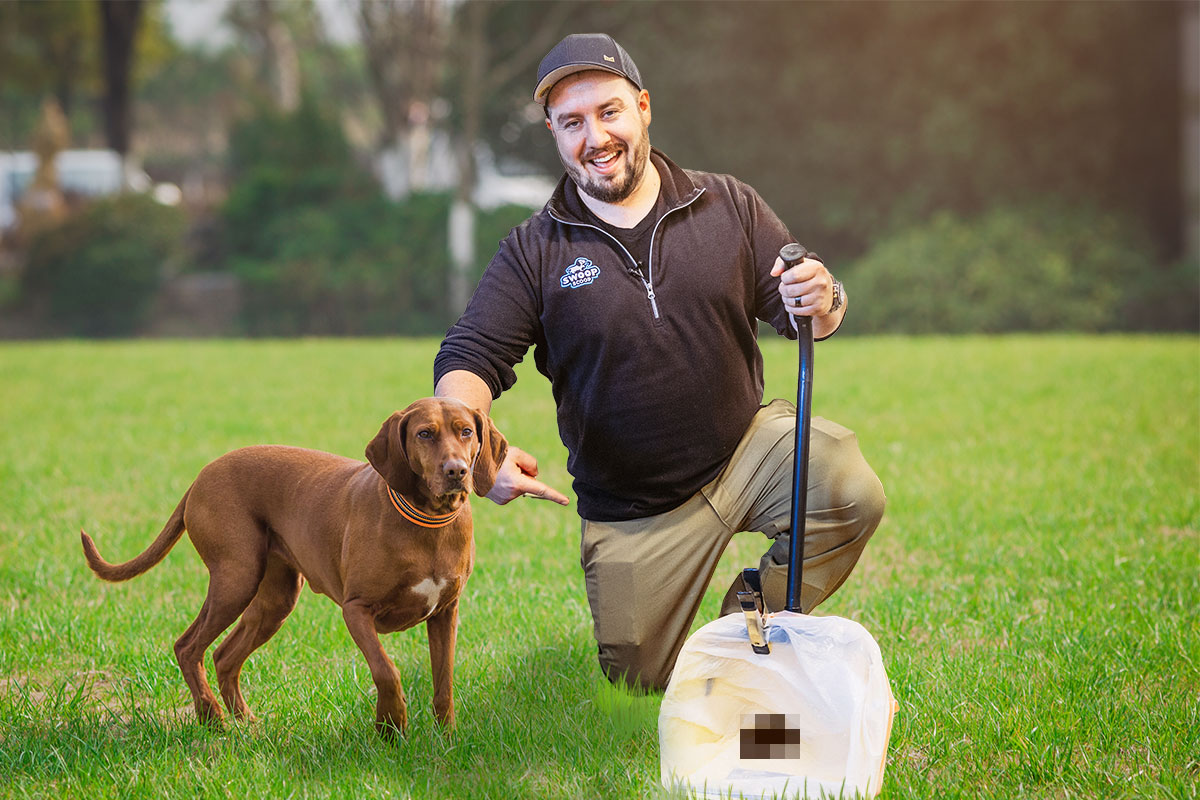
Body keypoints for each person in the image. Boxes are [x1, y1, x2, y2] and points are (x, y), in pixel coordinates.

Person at [434, 33, 885, 692]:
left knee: (850, 489)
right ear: (555, 135)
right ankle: (679, 655)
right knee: (639, 689)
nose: (595, 136)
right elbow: (470, 354)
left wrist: (825, 296)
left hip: (746, 452)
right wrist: (472, 445)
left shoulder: (729, 204)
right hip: (634, 508)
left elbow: (806, 306)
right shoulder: (534, 250)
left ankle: (749, 622)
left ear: (642, 107)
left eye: (608, 112)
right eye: (573, 123)